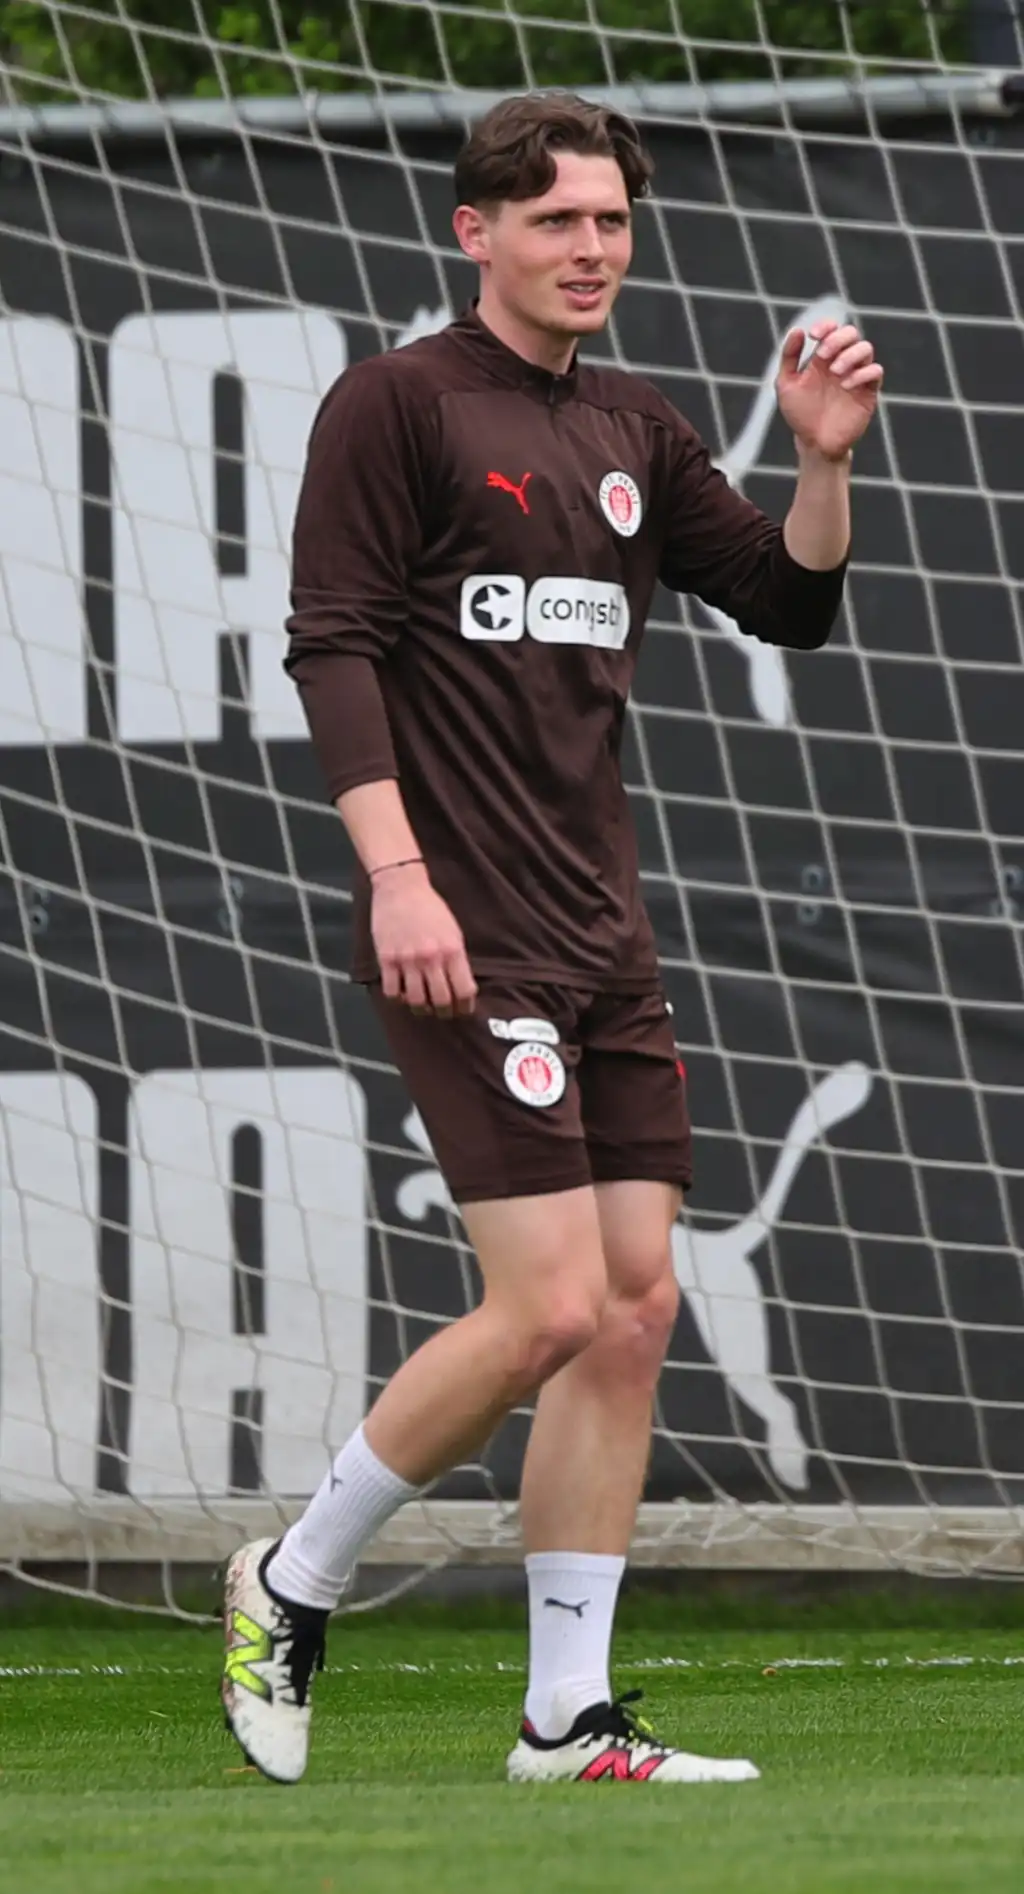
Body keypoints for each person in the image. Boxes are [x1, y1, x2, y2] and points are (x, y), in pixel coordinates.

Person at [221, 90, 882, 1786]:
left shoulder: (640, 426)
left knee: (637, 1307)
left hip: (603, 935)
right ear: (478, 232)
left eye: (610, 222)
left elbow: (793, 602)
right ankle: (292, 1576)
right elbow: (332, 645)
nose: (592, 248)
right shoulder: (397, 404)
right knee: (547, 1306)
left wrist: (821, 461)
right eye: (557, 220)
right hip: (463, 927)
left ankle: (565, 1716)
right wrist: (397, 876)